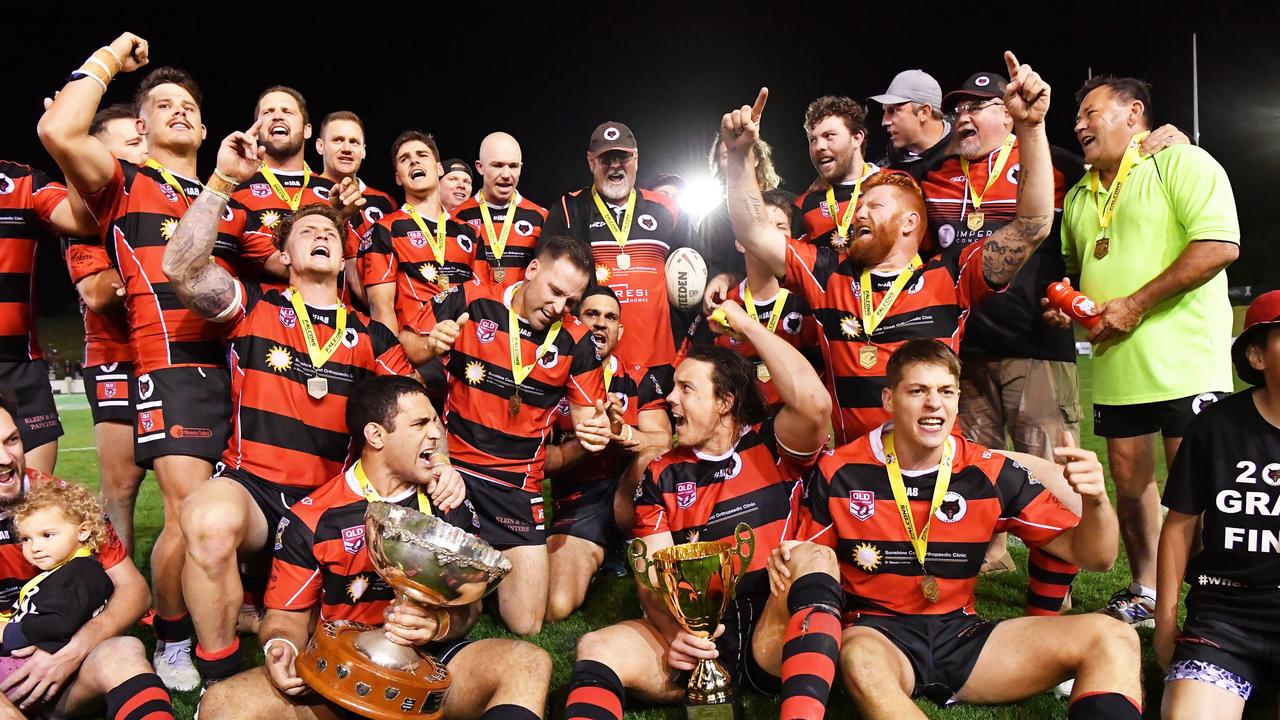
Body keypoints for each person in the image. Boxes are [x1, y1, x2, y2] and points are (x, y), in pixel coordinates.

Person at [162, 122, 417, 686]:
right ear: (283, 253)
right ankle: (219, 671)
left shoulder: (371, 336)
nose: (321, 234)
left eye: (330, 230)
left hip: (332, 498)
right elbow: (179, 268)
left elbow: (416, 410)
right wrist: (223, 180)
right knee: (203, 521)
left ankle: (271, 619)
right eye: (306, 232)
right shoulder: (252, 307)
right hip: (254, 487)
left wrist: (439, 463)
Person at [38, 33, 252, 688]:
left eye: (188, 104)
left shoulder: (232, 201)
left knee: (229, 519)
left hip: (241, 375)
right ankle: (173, 634)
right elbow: (58, 128)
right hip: (171, 370)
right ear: (141, 125)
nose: (179, 110)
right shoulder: (123, 182)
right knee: (191, 521)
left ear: (207, 124)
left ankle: (223, 615)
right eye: (163, 104)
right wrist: (107, 59)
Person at [772, 339, 1139, 720]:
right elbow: (812, 562)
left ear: (958, 399)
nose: (934, 403)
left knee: (1114, 636)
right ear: (889, 399)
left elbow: (1098, 557)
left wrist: (1096, 500)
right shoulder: (839, 470)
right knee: (860, 659)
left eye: (945, 391)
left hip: (963, 635)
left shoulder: (989, 472)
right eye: (917, 391)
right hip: (878, 635)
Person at [720, 51, 1055, 447]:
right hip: (857, 478)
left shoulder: (949, 276)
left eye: (874, 206)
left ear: (911, 222)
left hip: (940, 476)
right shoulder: (827, 274)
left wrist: (1031, 127)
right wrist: (739, 156)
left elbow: (1032, 225)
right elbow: (754, 231)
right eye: (858, 206)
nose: (859, 213)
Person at [199, 376, 553, 720]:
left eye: (435, 421)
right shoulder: (311, 518)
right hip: (339, 673)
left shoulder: (449, 503)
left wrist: (438, 625)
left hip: (429, 667)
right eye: (419, 423)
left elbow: (470, 610)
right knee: (224, 703)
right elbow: (284, 618)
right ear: (375, 435)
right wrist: (282, 646)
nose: (436, 432)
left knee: (527, 663)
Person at [562, 299, 831, 720]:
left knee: (817, 558)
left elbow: (815, 403)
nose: (670, 399)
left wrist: (747, 326)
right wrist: (676, 635)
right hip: (696, 639)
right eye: (673, 387)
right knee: (596, 647)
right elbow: (652, 579)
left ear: (724, 401)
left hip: (772, 634)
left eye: (685, 389)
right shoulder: (661, 473)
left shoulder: (773, 444)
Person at [1053, 75, 1240, 625]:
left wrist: (1133, 304)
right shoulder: (1079, 194)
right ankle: (1145, 589)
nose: (1079, 124)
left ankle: (1214, 597)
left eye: (1091, 112)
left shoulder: (1182, 163)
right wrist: (1066, 304)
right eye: (1077, 115)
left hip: (1186, 362)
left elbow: (1218, 245)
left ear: (1134, 113)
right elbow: (1074, 269)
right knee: (1131, 487)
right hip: (1117, 366)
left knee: (1199, 490)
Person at [919, 71, 1084, 611]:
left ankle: (1048, 606)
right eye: (957, 108)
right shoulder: (934, 174)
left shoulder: (1056, 163)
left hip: (1036, 345)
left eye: (978, 107)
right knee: (971, 470)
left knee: (1053, 478)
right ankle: (974, 577)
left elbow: (1108, 208)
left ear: (1009, 113)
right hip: (964, 350)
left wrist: (1158, 137)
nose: (964, 117)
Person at [400, 235, 610, 636]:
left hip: (517, 486)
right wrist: (430, 343)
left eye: (571, 301)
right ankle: (474, 575)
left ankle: (487, 565)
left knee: (527, 624)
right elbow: (404, 346)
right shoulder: (471, 298)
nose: (559, 308)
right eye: (554, 291)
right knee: (456, 603)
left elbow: (588, 420)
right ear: (532, 270)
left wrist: (598, 431)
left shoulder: (578, 341)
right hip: (454, 472)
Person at [0, 389, 170, 719]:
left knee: (124, 651)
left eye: (11, 441)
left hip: (60, 669)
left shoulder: (61, 502)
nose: (6, 459)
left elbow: (134, 591)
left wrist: (72, 651)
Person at [1155, 290, 1280, 719]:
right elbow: (1179, 526)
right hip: (1226, 617)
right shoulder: (1216, 426)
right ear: (1257, 357)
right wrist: (1166, 623)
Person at [544, 286, 671, 620]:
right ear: (575, 321)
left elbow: (664, 441)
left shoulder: (639, 377)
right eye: (592, 315)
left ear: (620, 330)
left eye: (610, 317)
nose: (600, 324)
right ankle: (604, 548)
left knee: (650, 457)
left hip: (629, 492)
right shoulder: (550, 373)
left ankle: (632, 538)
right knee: (555, 605)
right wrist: (592, 439)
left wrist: (620, 432)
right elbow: (542, 458)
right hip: (579, 498)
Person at [542, 121, 694, 377]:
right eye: (605, 158)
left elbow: (700, 262)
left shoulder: (668, 208)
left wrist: (722, 276)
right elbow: (546, 276)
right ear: (591, 162)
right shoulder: (569, 209)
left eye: (622, 156)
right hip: (589, 359)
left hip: (658, 362)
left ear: (635, 158)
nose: (615, 165)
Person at [62, 103, 148, 555]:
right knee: (121, 487)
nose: (145, 152)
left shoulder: (171, 202)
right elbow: (97, 293)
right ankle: (121, 591)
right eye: (133, 145)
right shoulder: (87, 222)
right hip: (116, 359)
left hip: (176, 357)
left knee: (192, 482)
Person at [0, 151, 98, 475]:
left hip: (20, 366)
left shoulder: (23, 181)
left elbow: (80, 219)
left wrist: (65, 148)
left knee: (36, 503)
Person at [679, 190, 821, 411]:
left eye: (780, 227)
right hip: (740, 434)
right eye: (760, 227)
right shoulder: (720, 307)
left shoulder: (811, 302)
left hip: (799, 430)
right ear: (740, 242)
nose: (770, 236)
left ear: (791, 240)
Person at [230, 86, 365, 282]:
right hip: (263, 309)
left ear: (307, 130)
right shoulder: (234, 185)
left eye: (287, 111)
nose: (277, 116)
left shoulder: (333, 193)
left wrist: (339, 216)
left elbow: (354, 274)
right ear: (257, 129)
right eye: (267, 112)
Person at [361, 131, 477, 331]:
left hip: (466, 351)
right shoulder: (385, 229)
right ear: (398, 178)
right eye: (404, 159)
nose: (414, 161)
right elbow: (381, 308)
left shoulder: (469, 232)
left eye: (422, 155)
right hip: (419, 352)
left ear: (439, 168)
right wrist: (396, 360)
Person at [0, 482, 115, 672]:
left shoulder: (80, 573)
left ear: (83, 531)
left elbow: (60, 624)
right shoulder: (65, 569)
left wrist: (7, 632)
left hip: (26, 666)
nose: (34, 547)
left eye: (47, 535)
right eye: (26, 539)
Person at [313, 110, 398, 303]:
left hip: (372, 315)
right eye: (338, 140)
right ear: (320, 146)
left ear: (364, 150)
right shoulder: (303, 193)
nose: (346, 148)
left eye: (354, 142)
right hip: (316, 307)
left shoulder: (384, 202)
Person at [450, 132, 548, 287]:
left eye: (513, 166)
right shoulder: (456, 216)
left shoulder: (541, 217)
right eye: (497, 165)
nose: (506, 174)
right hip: (473, 310)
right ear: (480, 167)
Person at [790, 96, 880, 252]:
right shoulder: (804, 204)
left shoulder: (896, 183)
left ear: (856, 138)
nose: (819, 147)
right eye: (812, 140)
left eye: (829, 136)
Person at [870, 69, 953, 181]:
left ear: (924, 112)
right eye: (885, 112)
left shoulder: (965, 157)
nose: (884, 122)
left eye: (892, 111)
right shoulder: (882, 171)